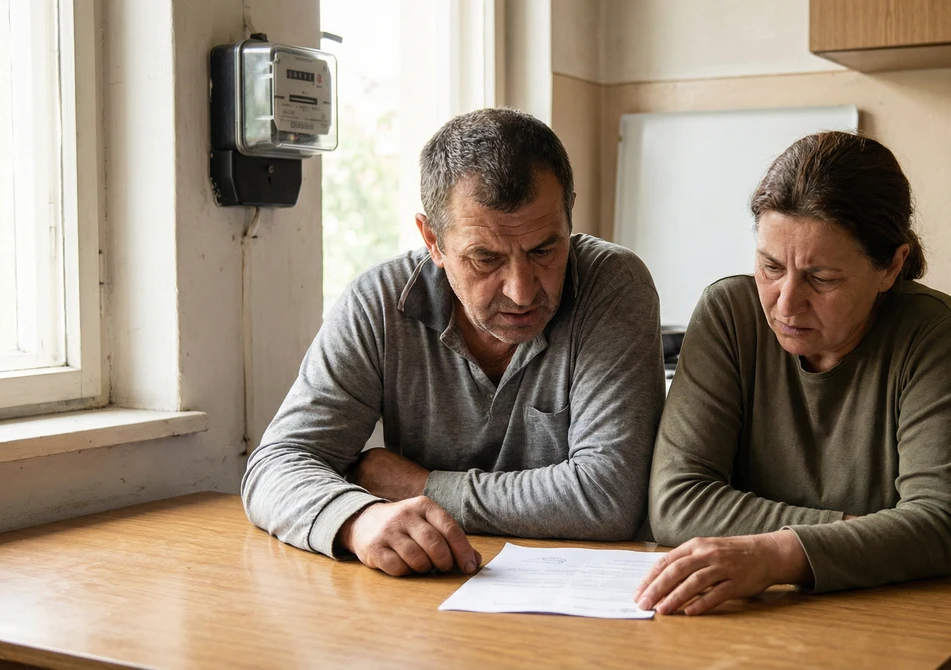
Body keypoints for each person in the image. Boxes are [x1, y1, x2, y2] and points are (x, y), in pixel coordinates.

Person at [636, 131, 951, 667]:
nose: (786, 303)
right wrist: (864, 533)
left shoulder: (935, 333)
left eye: (821, 277)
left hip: (940, 634)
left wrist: (778, 553)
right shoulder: (729, 314)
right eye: (771, 267)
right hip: (784, 628)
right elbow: (676, 502)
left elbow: (941, 528)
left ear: (891, 266)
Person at [242, 108, 665, 579]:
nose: (522, 291)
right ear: (433, 241)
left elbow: (608, 498)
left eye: (544, 250)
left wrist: (419, 486)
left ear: (569, 218)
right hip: (426, 593)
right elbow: (276, 465)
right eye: (486, 259)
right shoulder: (379, 303)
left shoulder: (612, 285)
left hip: (587, 603)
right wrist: (357, 519)